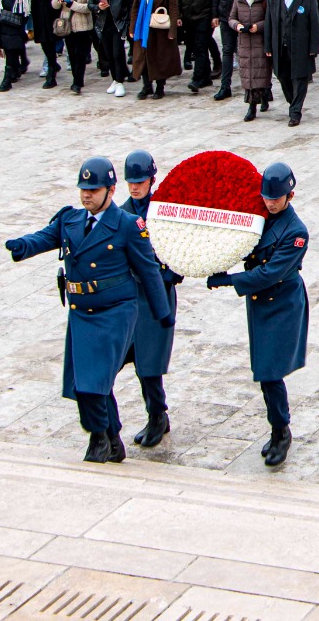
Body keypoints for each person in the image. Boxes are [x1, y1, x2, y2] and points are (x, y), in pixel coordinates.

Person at [5, 157, 173, 464]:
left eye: (94, 189)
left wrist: (162, 314)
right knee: (83, 384)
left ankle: (100, 439)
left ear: (109, 190)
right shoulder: (70, 220)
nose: (87, 195)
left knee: (97, 381)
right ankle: (110, 438)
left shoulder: (126, 225)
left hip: (115, 310)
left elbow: (148, 270)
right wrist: (23, 246)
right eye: (84, 189)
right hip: (82, 311)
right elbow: (46, 237)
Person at [205, 162, 309, 468]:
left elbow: (269, 273)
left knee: (270, 371)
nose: (270, 202)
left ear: (290, 196)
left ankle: (282, 430)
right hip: (260, 302)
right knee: (264, 372)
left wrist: (228, 280)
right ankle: (278, 428)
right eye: (266, 197)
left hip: (282, 303)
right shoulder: (260, 217)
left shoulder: (296, 232)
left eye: (276, 198)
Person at [118, 150, 181, 449]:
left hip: (156, 295)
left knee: (150, 361)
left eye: (140, 181)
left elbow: (182, 249)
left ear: (151, 180)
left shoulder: (164, 211)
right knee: (128, 356)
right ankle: (154, 413)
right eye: (131, 182)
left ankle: (158, 415)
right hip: (131, 296)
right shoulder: (122, 213)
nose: (134, 187)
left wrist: (169, 274)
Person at [264, 0, 319, 125]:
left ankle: (295, 111)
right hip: (280, 46)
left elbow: (314, 24)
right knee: (282, 76)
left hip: (301, 46)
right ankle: (292, 102)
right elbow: (269, 22)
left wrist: (313, 48)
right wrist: (268, 46)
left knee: (300, 78)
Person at [129, 0, 182, 99]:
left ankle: (160, 87)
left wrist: (172, 31)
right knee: (143, 57)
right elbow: (135, 7)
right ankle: (147, 86)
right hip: (143, 27)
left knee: (160, 57)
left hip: (159, 28)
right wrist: (132, 27)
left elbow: (173, 8)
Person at [230, 0, 272, 120]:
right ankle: (253, 104)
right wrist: (238, 26)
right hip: (244, 43)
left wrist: (258, 26)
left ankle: (260, 99)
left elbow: (269, 20)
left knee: (260, 73)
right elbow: (231, 18)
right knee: (248, 74)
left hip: (259, 42)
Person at [92, 0, 133, 97]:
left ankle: (120, 81)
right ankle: (115, 79)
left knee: (118, 53)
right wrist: (98, 7)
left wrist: (127, 24)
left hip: (119, 24)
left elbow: (130, 6)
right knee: (108, 54)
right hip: (103, 24)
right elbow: (90, 4)